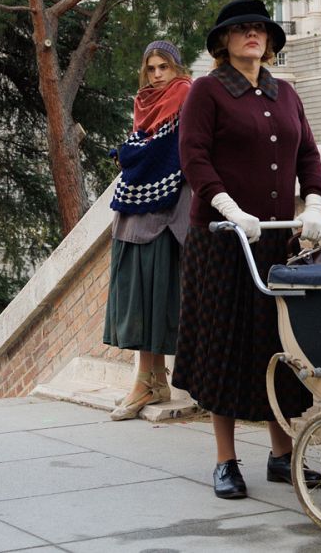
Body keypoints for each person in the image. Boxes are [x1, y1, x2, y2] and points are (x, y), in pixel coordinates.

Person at [175, 0, 321, 500]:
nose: (251, 36)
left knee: (277, 348)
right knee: (225, 345)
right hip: (223, 240)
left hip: (275, 241)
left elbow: (306, 150)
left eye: (259, 29)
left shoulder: (286, 94)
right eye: (240, 30)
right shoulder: (207, 92)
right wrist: (228, 208)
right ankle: (225, 460)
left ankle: (282, 456)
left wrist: (314, 204)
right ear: (223, 41)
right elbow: (194, 157)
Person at [103, 40, 193, 420]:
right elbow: (143, 150)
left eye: (164, 67)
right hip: (138, 205)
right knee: (137, 292)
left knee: (153, 293)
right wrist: (132, 155)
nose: (157, 75)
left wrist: (128, 155)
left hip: (168, 208)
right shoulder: (143, 103)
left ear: (177, 68)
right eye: (151, 68)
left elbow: (162, 152)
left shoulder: (185, 96)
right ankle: (152, 380)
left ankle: (149, 382)